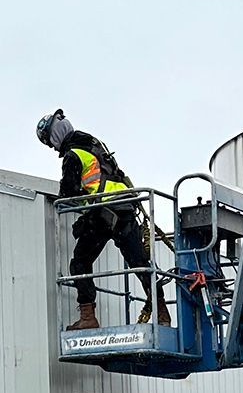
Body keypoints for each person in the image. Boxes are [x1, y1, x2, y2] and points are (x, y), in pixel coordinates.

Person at [37, 109, 169, 330]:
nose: (52, 148)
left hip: (104, 212)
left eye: (50, 142)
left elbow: (67, 195)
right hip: (125, 209)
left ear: (55, 136)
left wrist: (78, 209)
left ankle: (88, 318)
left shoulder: (73, 156)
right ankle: (162, 312)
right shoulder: (94, 144)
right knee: (141, 264)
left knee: (80, 261)